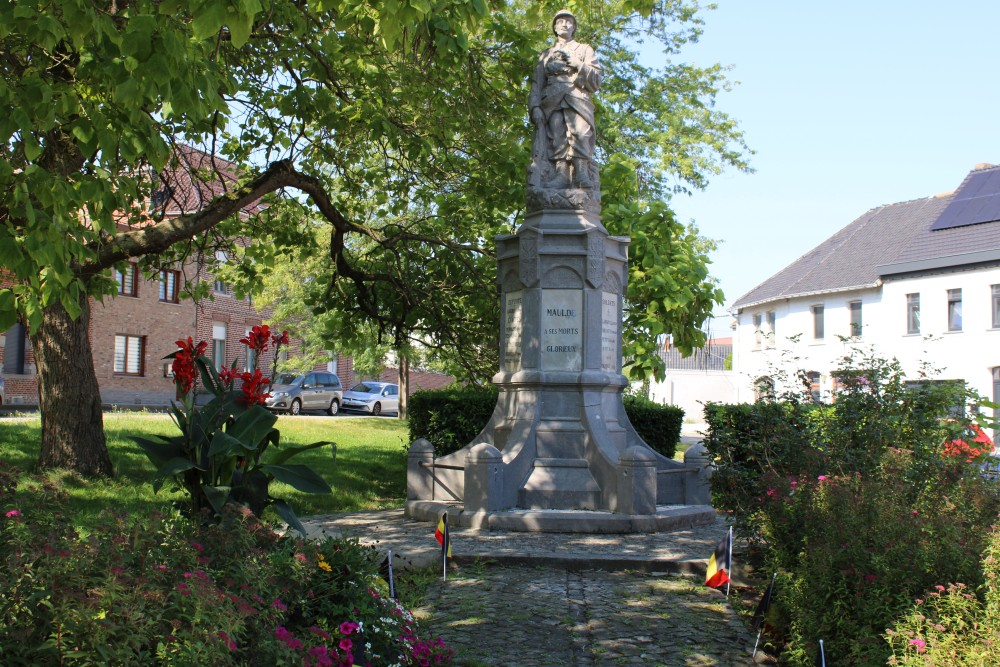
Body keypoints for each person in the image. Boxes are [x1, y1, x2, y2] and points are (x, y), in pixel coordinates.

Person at [529, 10, 602, 190]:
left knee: (581, 133)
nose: (564, 24)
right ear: (554, 27)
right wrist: (535, 107)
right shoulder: (545, 55)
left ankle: (581, 173)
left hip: (577, 96)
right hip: (552, 100)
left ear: (574, 27)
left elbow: (597, 79)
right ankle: (561, 174)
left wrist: (579, 65)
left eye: (568, 22)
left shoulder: (584, 49)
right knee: (557, 136)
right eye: (560, 21)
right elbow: (537, 84)